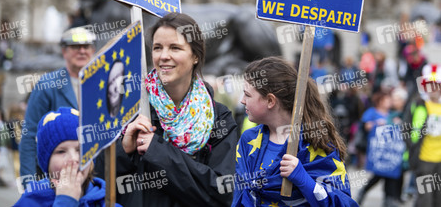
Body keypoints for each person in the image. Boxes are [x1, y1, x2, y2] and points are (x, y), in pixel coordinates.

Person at [95, 13, 238, 206]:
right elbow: (96, 180)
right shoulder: (130, 107)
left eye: (175, 48)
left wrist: (159, 152)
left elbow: (221, 193)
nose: (163, 56)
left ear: (195, 56)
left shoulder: (218, 117)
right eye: (157, 48)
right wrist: (123, 150)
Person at [233, 56, 357, 206]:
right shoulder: (248, 140)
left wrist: (303, 179)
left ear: (271, 101)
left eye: (247, 95)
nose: (242, 101)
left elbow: (342, 203)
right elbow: (240, 196)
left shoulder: (315, 141)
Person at [19, 27, 96, 178]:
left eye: (86, 46)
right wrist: (29, 184)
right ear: (64, 51)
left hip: (93, 174)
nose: (82, 51)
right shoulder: (47, 85)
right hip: (56, 177)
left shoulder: (102, 83)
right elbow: (29, 135)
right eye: (75, 47)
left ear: (92, 50)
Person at [14, 107, 121, 206]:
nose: (74, 158)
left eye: (80, 150)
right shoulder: (30, 201)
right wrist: (66, 201)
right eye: (61, 152)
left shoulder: (107, 201)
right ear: (46, 164)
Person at [404, 64, 441, 207]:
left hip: (440, 162)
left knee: (438, 199)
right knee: (424, 200)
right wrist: (412, 150)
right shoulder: (418, 104)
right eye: (430, 85)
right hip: (423, 159)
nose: (433, 89)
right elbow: (405, 128)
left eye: (436, 85)